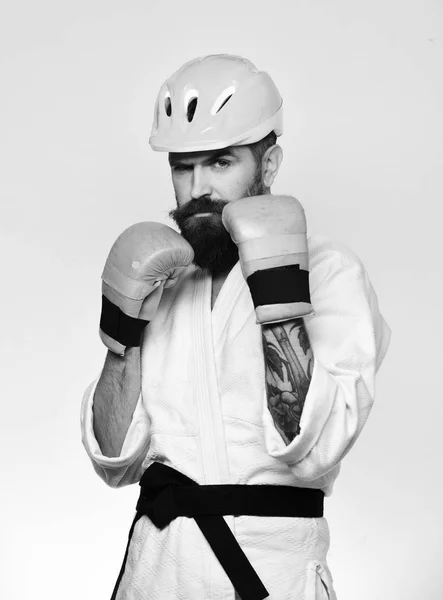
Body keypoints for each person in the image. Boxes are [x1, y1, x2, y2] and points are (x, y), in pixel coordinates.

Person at [81, 54, 391, 600]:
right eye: (183, 166)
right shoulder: (162, 280)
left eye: (221, 162)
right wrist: (120, 335)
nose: (198, 187)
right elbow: (114, 460)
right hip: (158, 576)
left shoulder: (328, 272)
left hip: (270, 574)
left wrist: (279, 289)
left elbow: (316, 448)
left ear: (268, 166)